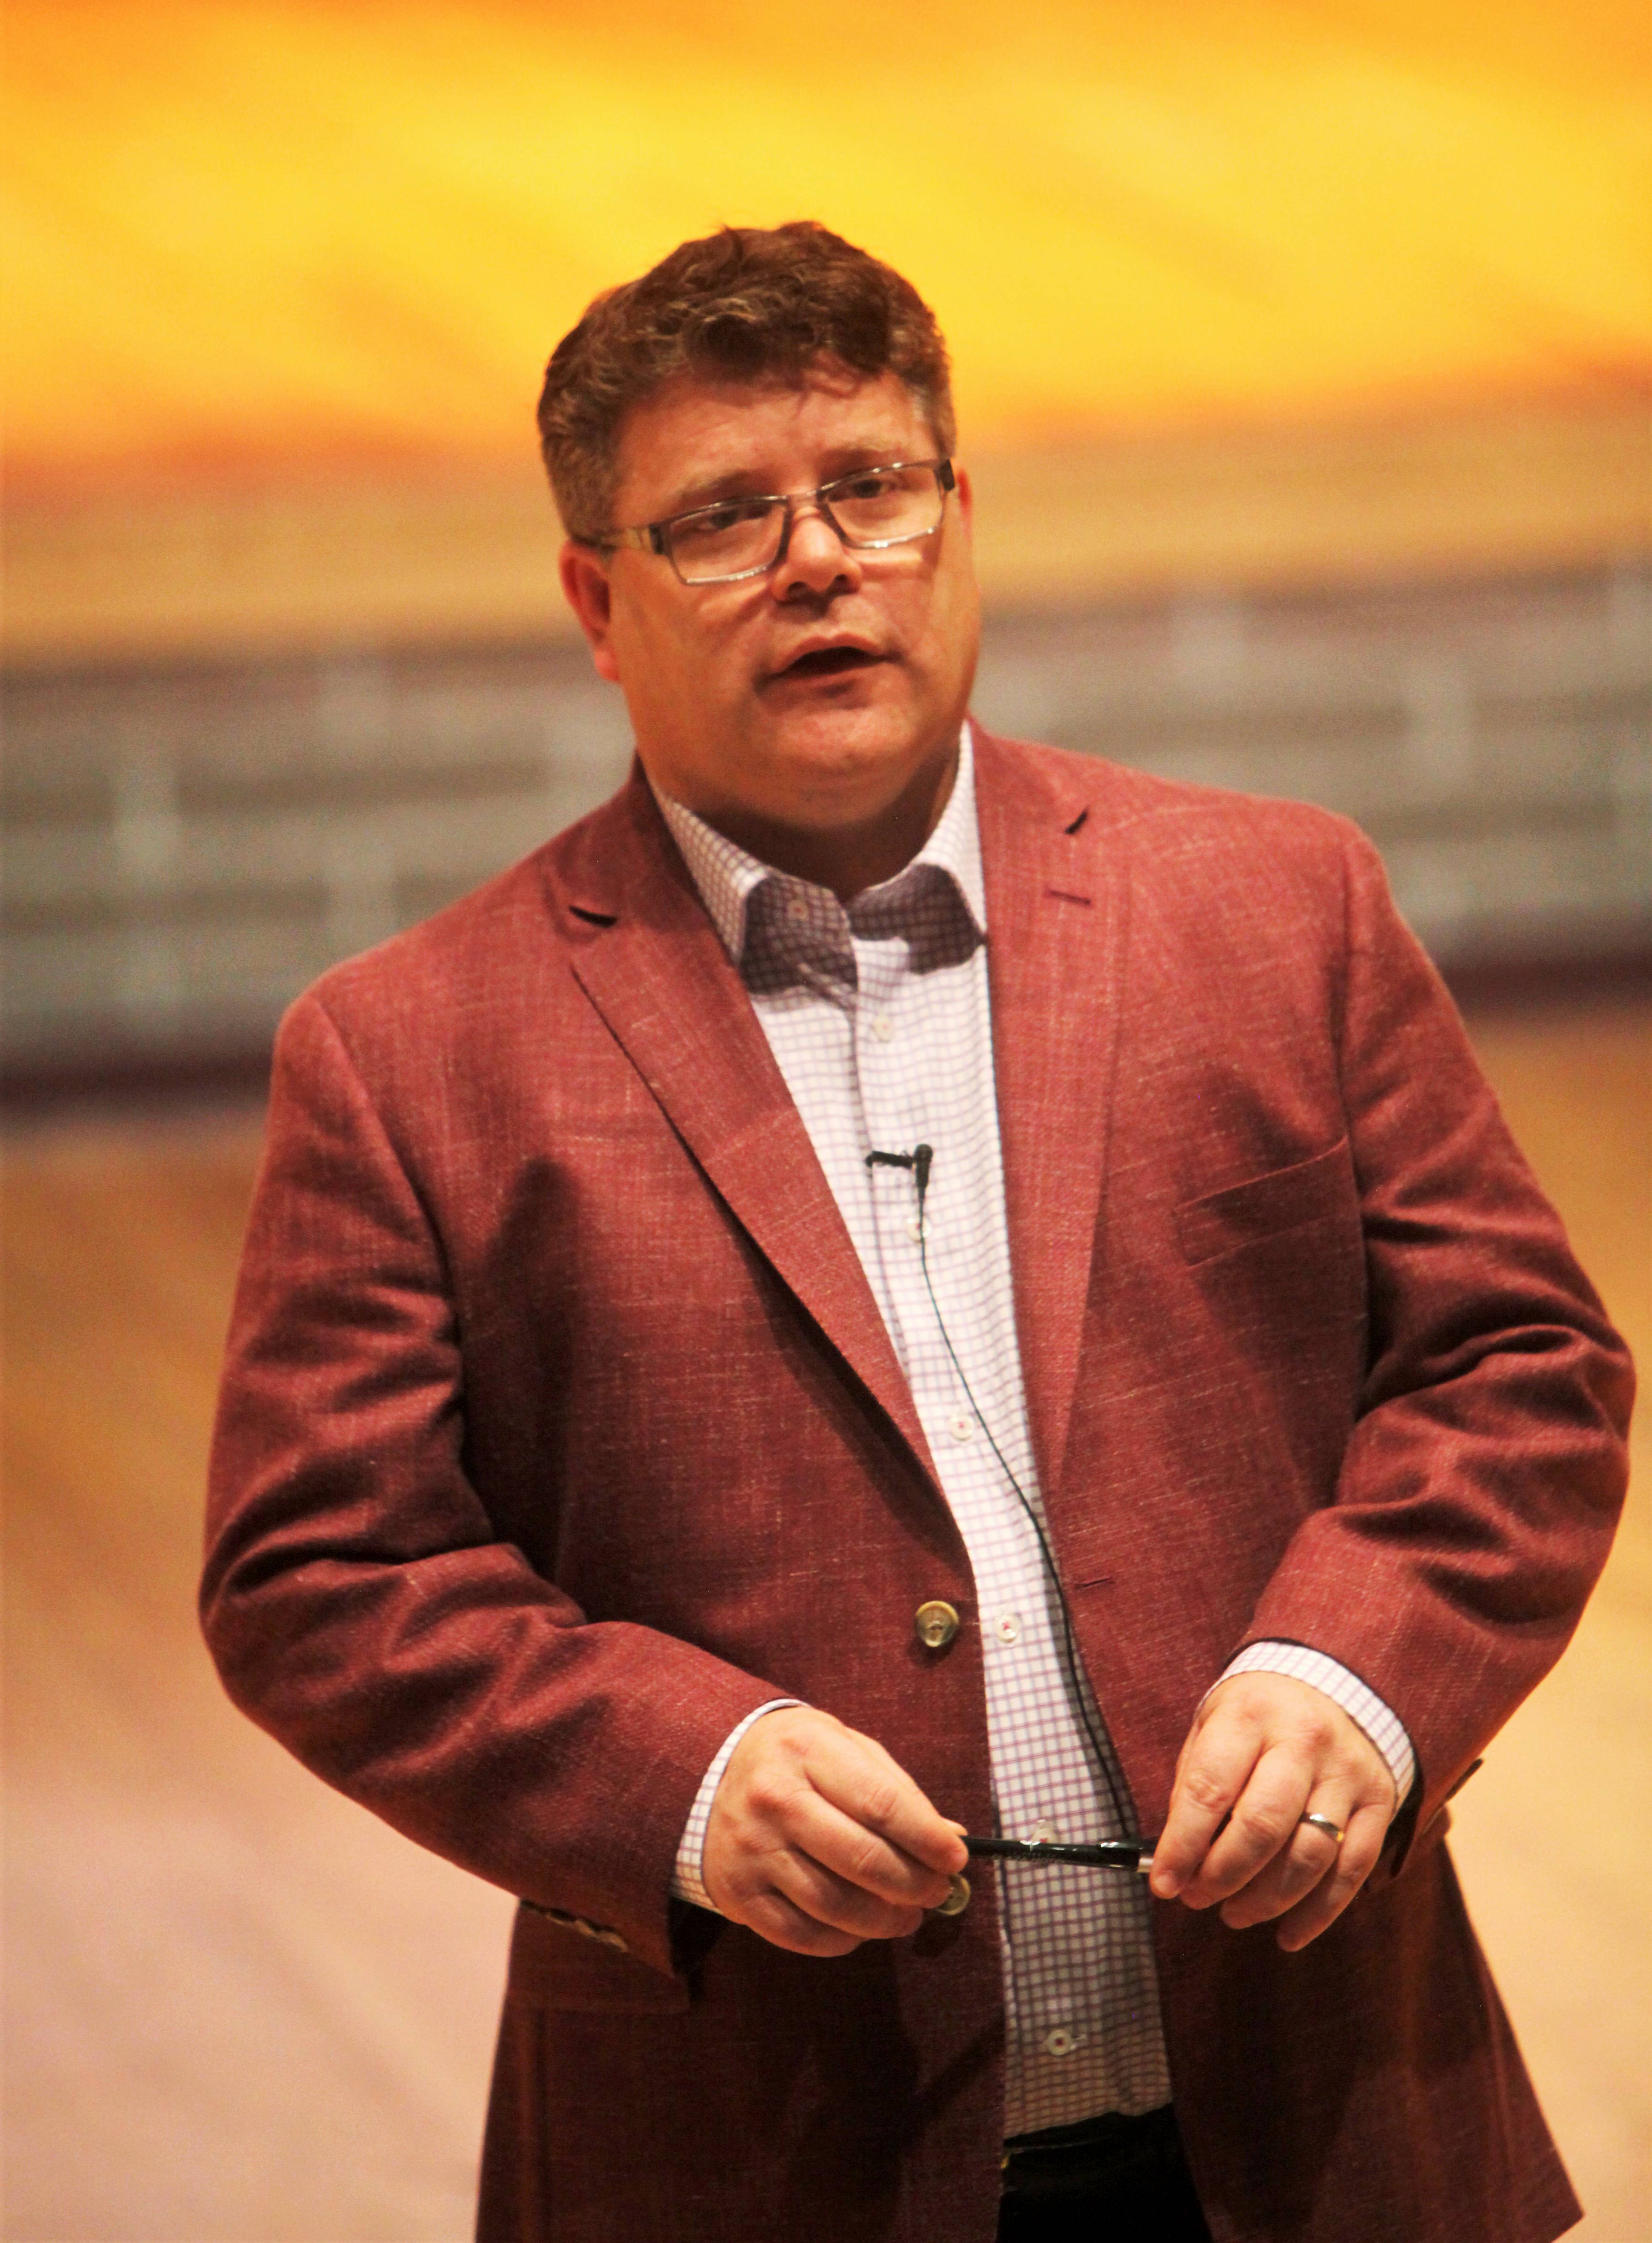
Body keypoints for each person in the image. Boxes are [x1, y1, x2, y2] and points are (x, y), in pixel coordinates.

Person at [201, 223, 1632, 2243]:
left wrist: (1360, 1670)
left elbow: (1519, 1370)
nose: (818, 559)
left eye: (870, 487)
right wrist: (676, 1780)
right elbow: (319, 1577)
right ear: (593, 602)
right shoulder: (406, 1051)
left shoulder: (1280, 903)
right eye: (721, 517)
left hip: (1322, 2143)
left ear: (961, 518)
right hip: (763, 2170)